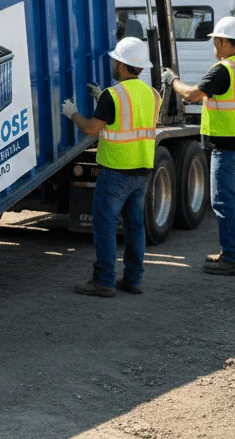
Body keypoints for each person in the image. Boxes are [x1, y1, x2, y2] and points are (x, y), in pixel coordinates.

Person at [60, 36, 160, 297]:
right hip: (141, 170)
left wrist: (72, 113)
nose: (113, 64)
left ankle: (104, 280)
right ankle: (133, 280)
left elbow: (93, 129)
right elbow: (129, 116)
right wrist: (100, 99)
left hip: (115, 171)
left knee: (104, 226)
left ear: (125, 67)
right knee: (134, 227)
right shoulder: (153, 94)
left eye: (116, 61)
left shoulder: (112, 95)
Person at [162, 16, 235, 277]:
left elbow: (191, 94)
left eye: (216, 41)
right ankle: (233, 253)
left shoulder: (224, 69)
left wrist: (172, 80)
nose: (214, 47)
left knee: (223, 202)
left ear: (227, 42)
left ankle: (233, 258)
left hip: (228, 148)